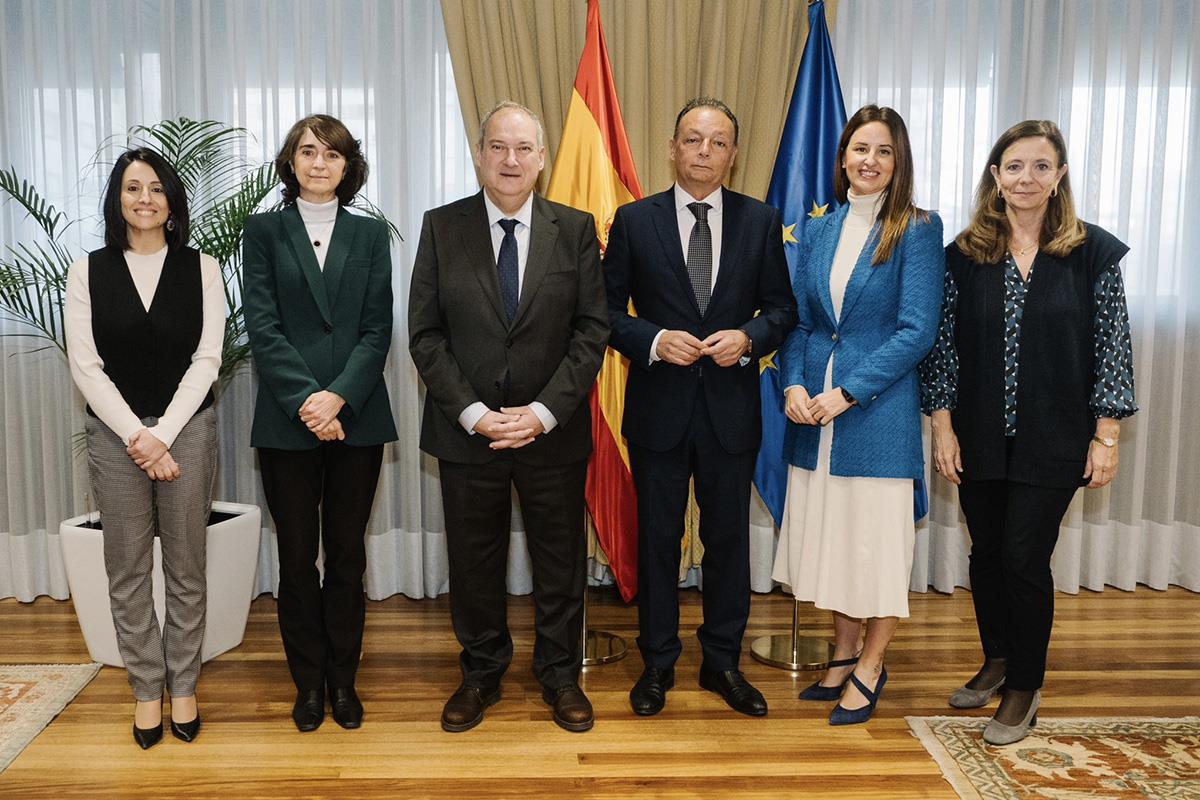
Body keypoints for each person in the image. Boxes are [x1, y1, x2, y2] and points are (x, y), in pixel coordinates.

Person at [919, 119, 1136, 745]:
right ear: (995, 175)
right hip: (979, 433)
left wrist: (1107, 436)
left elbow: (1113, 348)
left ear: (1060, 176)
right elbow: (943, 350)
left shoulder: (1093, 251)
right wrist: (943, 425)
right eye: (1014, 166)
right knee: (985, 553)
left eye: (1041, 166)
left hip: (1057, 436)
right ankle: (998, 658)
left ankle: (1024, 687)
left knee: (1022, 555)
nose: (1026, 178)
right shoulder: (963, 253)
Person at [408, 101, 608, 733]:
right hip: (469, 436)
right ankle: (480, 674)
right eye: (498, 147)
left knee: (560, 564)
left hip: (552, 433)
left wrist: (544, 412)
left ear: (542, 159)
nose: (511, 160)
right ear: (479, 154)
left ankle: (559, 676)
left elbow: (591, 331)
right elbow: (425, 334)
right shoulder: (441, 227)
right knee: (473, 563)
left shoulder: (574, 229)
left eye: (523, 148)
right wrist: (473, 413)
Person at [605, 97, 797, 718]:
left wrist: (749, 339)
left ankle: (722, 663)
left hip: (730, 410)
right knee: (657, 540)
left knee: (726, 543)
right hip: (658, 409)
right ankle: (657, 664)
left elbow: (782, 310)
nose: (705, 153)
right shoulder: (634, 221)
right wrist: (654, 340)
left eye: (718, 143)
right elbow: (603, 314)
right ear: (673, 147)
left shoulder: (761, 220)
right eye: (693, 140)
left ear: (733, 155)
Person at [772, 105, 944, 726]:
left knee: (874, 546)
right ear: (842, 157)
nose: (869, 161)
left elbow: (917, 331)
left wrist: (847, 392)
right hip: (813, 414)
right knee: (835, 542)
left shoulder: (919, 229)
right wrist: (792, 383)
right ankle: (843, 654)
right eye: (859, 149)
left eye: (884, 151)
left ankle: (871, 666)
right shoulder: (821, 228)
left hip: (873, 413)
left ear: (899, 163)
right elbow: (802, 321)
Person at [65, 147, 223, 748]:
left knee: (187, 568)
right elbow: (85, 365)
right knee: (127, 571)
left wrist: (163, 435)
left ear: (172, 200)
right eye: (133, 188)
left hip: (188, 430)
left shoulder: (202, 268)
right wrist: (138, 436)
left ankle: (183, 686)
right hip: (115, 437)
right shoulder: (89, 271)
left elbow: (207, 359)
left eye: (156, 188)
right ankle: (144, 690)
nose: (145, 199)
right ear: (118, 200)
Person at [243, 114, 397, 733]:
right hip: (287, 422)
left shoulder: (369, 235)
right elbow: (263, 325)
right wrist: (310, 400)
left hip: (356, 420)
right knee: (298, 558)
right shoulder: (263, 231)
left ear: (347, 166)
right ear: (290, 161)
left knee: (347, 556)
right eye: (308, 152)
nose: (318, 163)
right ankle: (307, 684)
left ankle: (343, 680)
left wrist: (338, 400)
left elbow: (376, 329)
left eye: (332, 155)